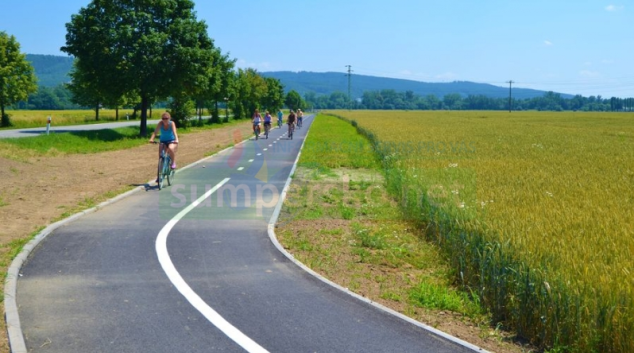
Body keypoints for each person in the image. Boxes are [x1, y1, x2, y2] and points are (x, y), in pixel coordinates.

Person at [149, 112, 179, 179]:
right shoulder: (160, 123)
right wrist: (151, 139)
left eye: (166, 118)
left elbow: (175, 132)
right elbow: (155, 132)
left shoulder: (172, 123)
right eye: (163, 118)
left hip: (171, 140)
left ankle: (173, 162)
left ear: (169, 118)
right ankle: (159, 176)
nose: (165, 120)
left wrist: (176, 139)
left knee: (171, 149)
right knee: (161, 157)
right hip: (163, 141)